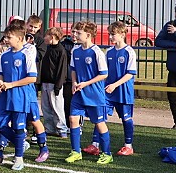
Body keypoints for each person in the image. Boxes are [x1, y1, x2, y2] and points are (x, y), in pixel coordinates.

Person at [0, 25, 50, 170]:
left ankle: (19, 157)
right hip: (7, 94)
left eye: (9, 37)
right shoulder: (5, 55)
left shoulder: (27, 52)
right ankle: (20, 143)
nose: (6, 39)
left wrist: (11, 84)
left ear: (19, 38)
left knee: (23, 125)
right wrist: (1, 83)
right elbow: (1, 74)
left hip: (22, 95)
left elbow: (32, 78)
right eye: (5, 37)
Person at [65, 21, 113, 165]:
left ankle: (107, 153)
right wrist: (74, 82)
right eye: (74, 32)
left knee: (99, 123)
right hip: (79, 93)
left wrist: (85, 83)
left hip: (94, 94)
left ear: (88, 35)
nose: (74, 35)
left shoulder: (97, 52)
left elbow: (104, 74)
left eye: (78, 33)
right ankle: (76, 152)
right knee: (73, 119)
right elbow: (73, 70)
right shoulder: (75, 50)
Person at [104, 21, 137, 156]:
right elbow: (105, 72)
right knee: (100, 115)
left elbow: (130, 74)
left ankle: (128, 146)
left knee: (126, 118)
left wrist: (115, 85)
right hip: (108, 90)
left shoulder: (129, 52)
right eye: (110, 34)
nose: (110, 37)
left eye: (113, 34)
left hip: (123, 91)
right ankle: (95, 144)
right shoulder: (109, 52)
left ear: (122, 34)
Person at [39, 27, 69, 137]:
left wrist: (58, 86)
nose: (44, 38)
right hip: (45, 82)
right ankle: (50, 128)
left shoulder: (61, 50)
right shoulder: (47, 49)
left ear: (52, 37)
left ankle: (62, 129)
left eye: (46, 36)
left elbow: (62, 70)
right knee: (46, 107)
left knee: (57, 107)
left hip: (54, 84)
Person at [155, 4, 176, 128]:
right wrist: (174, 45)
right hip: (173, 69)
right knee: (172, 97)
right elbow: (158, 41)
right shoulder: (170, 25)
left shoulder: (174, 29)